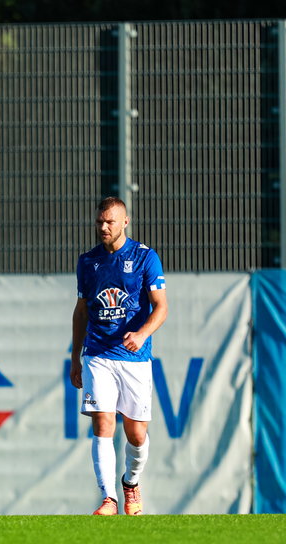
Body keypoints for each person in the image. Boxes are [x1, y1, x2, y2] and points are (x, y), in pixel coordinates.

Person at [70, 197, 168, 516]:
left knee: (136, 433)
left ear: (125, 222)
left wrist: (141, 334)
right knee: (103, 422)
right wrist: (75, 357)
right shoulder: (88, 262)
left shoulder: (144, 257)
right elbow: (82, 311)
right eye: (100, 221)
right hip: (98, 352)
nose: (103, 227)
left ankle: (131, 482)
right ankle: (109, 498)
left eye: (110, 222)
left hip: (134, 358)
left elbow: (161, 307)